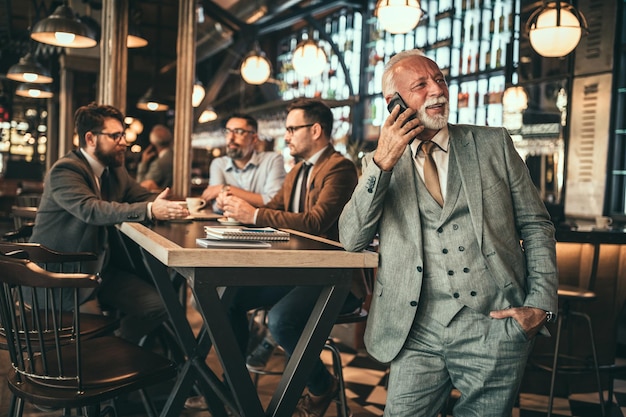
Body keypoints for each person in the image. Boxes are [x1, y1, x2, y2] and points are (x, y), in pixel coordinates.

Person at [338, 49, 558, 417]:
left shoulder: (493, 143)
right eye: (420, 85)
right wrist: (383, 162)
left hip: (494, 325)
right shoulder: (375, 164)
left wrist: (540, 305)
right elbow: (351, 239)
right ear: (394, 102)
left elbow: (537, 225)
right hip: (415, 329)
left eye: (439, 79)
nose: (437, 91)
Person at [221, 98, 368, 417]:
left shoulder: (340, 168)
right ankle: (234, 387)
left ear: (315, 130)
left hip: (334, 277)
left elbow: (317, 223)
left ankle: (321, 385)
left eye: (291, 129)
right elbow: (274, 208)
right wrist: (237, 211)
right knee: (228, 297)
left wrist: (256, 215)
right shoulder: (297, 170)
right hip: (298, 271)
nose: (285, 135)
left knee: (281, 319)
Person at [30, 102, 190, 344]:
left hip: (101, 270)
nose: (123, 142)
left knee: (163, 305)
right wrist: (150, 209)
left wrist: (169, 203)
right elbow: (91, 209)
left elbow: (140, 196)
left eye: (122, 135)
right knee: (96, 341)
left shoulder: (113, 171)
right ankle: (112, 354)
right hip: (63, 277)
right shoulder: (65, 170)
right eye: (115, 136)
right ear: (91, 139)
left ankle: (121, 346)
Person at [200, 113, 285, 214]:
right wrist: (257, 201)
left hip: (261, 227)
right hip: (225, 227)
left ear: (254, 139)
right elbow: (218, 206)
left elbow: (273, 202)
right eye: (228, 131)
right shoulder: (218, 164)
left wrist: (224, 188)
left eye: (239, 132)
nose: (231, 138)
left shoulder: (273, 160)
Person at [136, 124, 174, 191]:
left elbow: (141, 187)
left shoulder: (159, 164)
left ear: (153, 142)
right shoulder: (173, 157)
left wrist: (143, 163)